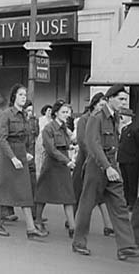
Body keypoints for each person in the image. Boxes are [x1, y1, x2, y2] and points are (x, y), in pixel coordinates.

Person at [72, 84, 139, 260]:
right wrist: (106, 167)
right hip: (97, 167)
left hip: (112, 166)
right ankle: (79, 243)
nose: (124, 102)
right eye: (121, 99)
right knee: (86, 206)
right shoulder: (97, 118)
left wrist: (112, 166)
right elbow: (93, 144)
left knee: (120, 205)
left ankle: (126, 247)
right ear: (110, 98)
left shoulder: (115, 117)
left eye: (125, 99)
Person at [0, 84, 47, 239]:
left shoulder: (24, 115)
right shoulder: (5, 114)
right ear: (14, 96)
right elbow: (1, 139)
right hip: (7, 156)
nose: (24, 97)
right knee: (1, 189)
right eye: (21, 95)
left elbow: (26, 137)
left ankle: (31, 228)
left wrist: (26, 153)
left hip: (20, 154)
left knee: (25, 191)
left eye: (25, 95)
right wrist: (13, 157)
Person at [72, 92, 114, 236]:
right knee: (79, 194)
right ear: (94, 104)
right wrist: (94, 155)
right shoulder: (85, 119)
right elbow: (83, 141)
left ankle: (108, 225)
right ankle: (73, 222)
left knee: (100, 195)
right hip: (85, 160)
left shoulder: (105, 120)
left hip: (99, 162)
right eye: (101, 105)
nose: (103, 108)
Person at [34, 100, 76, 237]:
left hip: (63, 165)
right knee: (43, 194)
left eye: (68, 112)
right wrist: (67, 161)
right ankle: (38, 221)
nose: (66, 115)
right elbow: (51, 149)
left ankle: (73, 227)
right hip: (52, 165)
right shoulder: (48, 128)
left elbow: (66, 144)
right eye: (64, 112)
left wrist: (72, 147)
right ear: (56, 113)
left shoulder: (64, 128)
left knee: (68, 196)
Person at [118, 109, 139, 211]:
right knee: (125, 182)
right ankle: (126, 201)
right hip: (123, 159)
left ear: (129, 117)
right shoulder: (123, 129)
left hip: (132, 161)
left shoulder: (135, 129)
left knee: (132, 182)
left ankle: (132, 202)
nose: (121, 117)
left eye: (123, 115)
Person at [35, 104, 53, 176]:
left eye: (51, 110)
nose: (50, 112)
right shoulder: (41, 119)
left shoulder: (52, 120)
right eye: (48, 110)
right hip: (41, 138)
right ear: (45, 111)